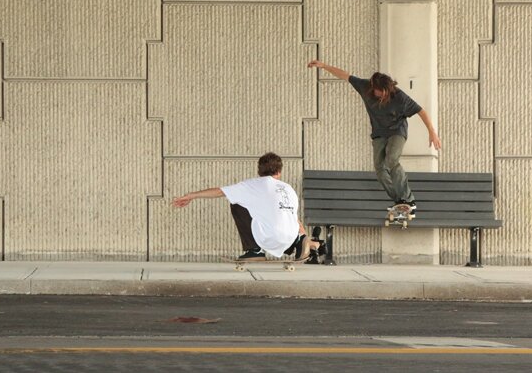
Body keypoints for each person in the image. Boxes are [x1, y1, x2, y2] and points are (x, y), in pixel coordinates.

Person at [307, 60, 441, 211]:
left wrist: (432, 131)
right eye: (380, 93)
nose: (383, 96)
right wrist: (324, 66)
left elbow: (420, 111)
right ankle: (399, 200)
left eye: (386, 93)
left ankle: (409, 199)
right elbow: (345, 75)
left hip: (397, 131)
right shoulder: (364, 87)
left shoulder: (399, 97)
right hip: (379, 134)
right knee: (379, 169)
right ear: (373, 88)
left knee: (391, 159)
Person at [172, 152, 319, 261]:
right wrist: (304, 236)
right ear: (279, 172)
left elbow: (219, 191)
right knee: (280, 217)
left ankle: (254, 251)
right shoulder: (288, 189)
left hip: (272, 236)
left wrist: (191, 195)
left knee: (237, 203)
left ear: (259, 170)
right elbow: (294, 218)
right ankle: (301, 242)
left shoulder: (253, 185)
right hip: (290, 236)